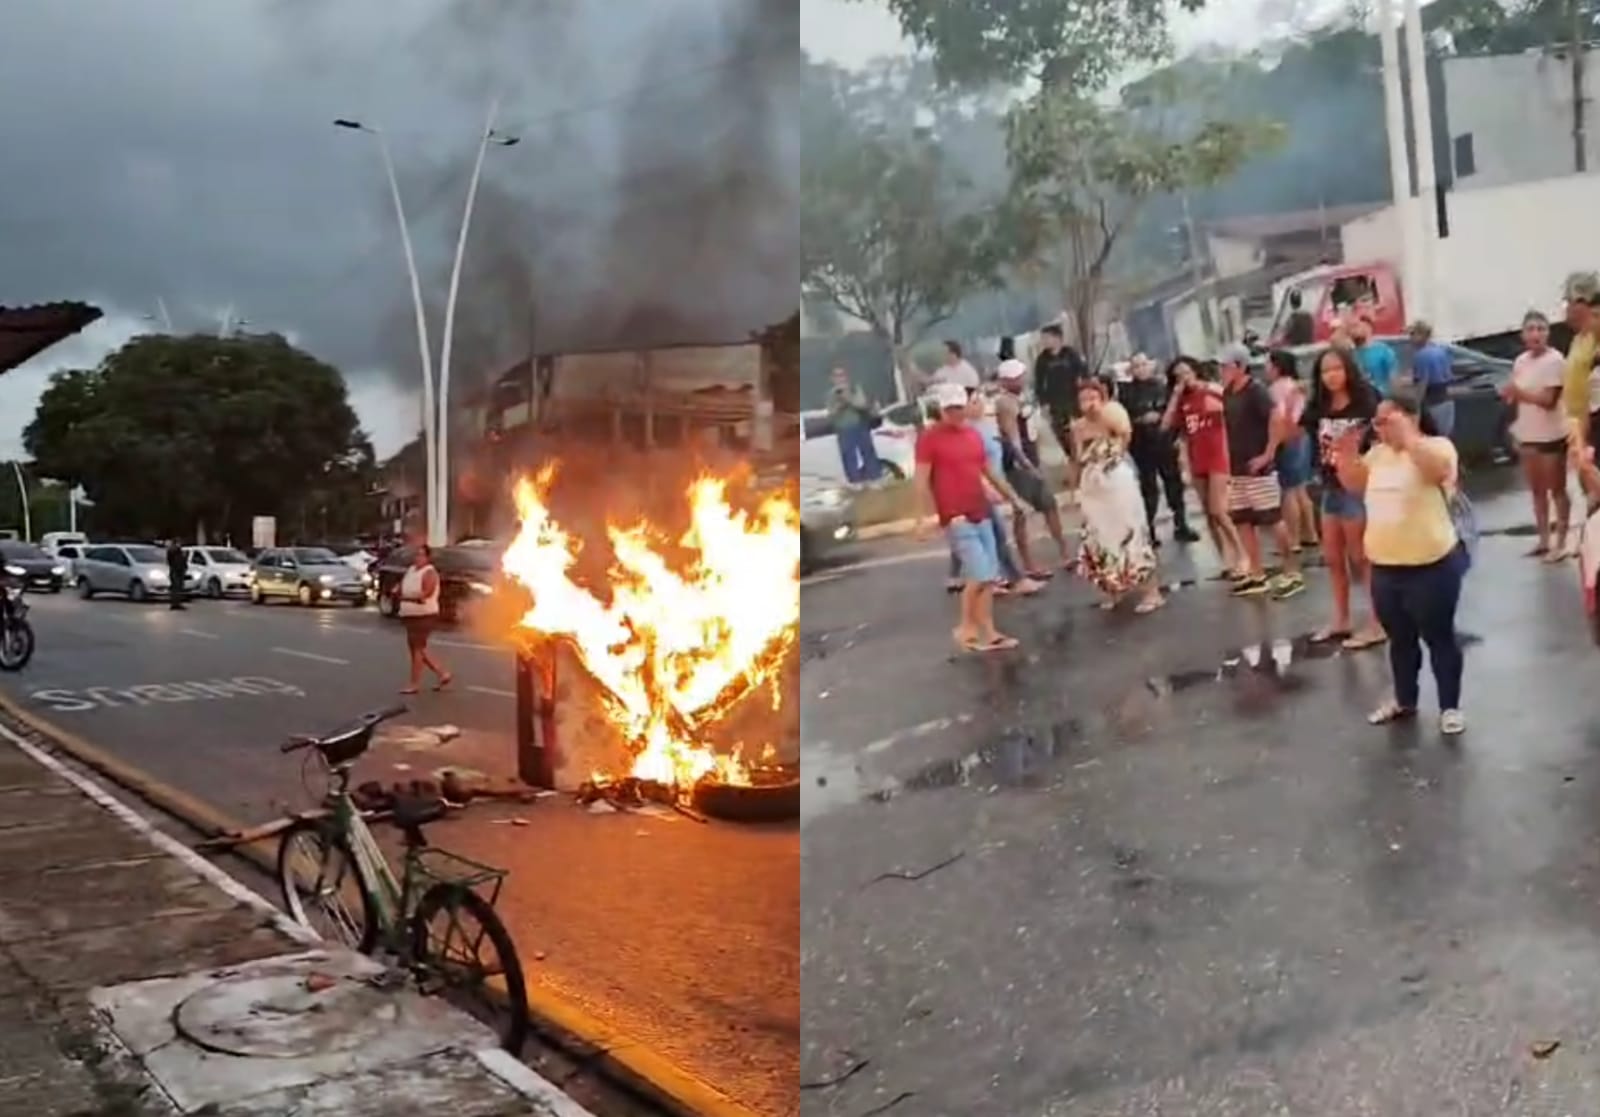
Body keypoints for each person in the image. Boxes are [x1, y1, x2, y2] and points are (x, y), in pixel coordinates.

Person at [1332, 394, 1468, 735]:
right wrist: (1346, 455)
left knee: (1439, 636)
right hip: (1386, 565)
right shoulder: (1378, 455)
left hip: (1431, 563)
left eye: (1386, 421)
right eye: (1375, 423)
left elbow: (1439, 473)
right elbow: (1356, 486)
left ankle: (1450, 707)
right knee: (1400, 639)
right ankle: (1405, 700)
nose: (1379, 429)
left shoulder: (1437, 447)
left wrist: (1409, 438)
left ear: (1410, 417)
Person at [916, 382, 1028, 652]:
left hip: (979, 510)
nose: (955, 413)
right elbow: (921, 480)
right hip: (956, 516)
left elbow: (988, 472)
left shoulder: (973, 436)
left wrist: (1013, 498)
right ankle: (966, 627)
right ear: (941, 410)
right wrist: (924, 517)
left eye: (958, 408)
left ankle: (988, 631)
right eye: (949, 409)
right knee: (980, 574)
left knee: (989, 577)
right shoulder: (930, 438)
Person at [1303, 346, 1386, 649]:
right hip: (1329, 485)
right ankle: (1341, 619)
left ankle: (1378, 622)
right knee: (1334, 557)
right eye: (1326, 371)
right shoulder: (1319, 405)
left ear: (1348, 370)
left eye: (1337, 368)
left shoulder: (1366, 400)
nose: (1332, 376)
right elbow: (1302, 431)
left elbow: (1382, 436)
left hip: (1357, 486)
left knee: (1361, 557)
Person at [1070, 378, 1165, 613]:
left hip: (1116, 480)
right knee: (1101, 538)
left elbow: (1125, 436)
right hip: (1093, 485)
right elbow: (1076, 458)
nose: (1089, 403)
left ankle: (1151, 591)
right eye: (1083, 399)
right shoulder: (1078, 427)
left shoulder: (1112, 415)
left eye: (1093, 398)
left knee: (1131, 535)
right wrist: (1075, 488)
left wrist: (1110, 451)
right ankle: (1113, 589)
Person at [1218, 343, 1304, 598]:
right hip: (1237, 466)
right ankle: (1257, 573)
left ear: (1239, 366)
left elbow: (1276, 417)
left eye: (1225, 366)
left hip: (1258, 466)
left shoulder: (1255, 391)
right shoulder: (1227, 393)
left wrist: (1268, 452)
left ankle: (1292, 572)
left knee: (1272, 519)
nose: (1222, 371)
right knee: (1243, 520)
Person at [948, 388, 1042, 596]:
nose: (979, 405)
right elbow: (973, 467)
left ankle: (976, 578)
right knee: (995, 535)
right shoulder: (967, 433)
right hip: (978, 490)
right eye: (973, 402)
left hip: (992, 485)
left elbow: (1000, 454)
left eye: (980, 400)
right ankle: (1014, 579)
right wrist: (987, 487)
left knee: (979, 537)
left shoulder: (986, 427)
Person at [1163, 356, 1245, 578]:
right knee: (1209, 513)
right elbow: (1167, 424)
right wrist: (1176, 395)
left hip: (1218, 453)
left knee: (1219, 509)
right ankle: (1226, 559)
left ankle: (1242, 554)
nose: (1183, 378)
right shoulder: (1182, 400)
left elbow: (1232, 408)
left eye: (1186, 373)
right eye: (1178, 376)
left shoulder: (1211, 390)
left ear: (1195, 371)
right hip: (1197, 456)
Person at [994, 358, 1074, 577]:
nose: (1021, 380)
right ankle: (1029, 564)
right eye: (1016, 378)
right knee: (1022, 513)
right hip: (1018, 465)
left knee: (1049, 505)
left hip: (1032, 458)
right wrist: (1026, 464)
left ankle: (1064, 552)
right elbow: (1013, 438)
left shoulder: (1021, 399)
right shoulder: (1005, 403)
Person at [1504, 309, 1572, 561]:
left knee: (1557, 489)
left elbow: (1549, 401)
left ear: (1548, 333)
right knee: (1536, 491)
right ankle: (1543, 540)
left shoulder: (1555, 361)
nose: (1536, 334)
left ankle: (1561, 542)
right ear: (1523, 335)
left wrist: (1520, 394)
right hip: (1528, 434)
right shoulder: (1520, 361)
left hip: (1551, 435)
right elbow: (1516, 395)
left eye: (1541, 329)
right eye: (1531, 329)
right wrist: (1512, 403)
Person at [1119, 353, 1198, 546]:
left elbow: (1175, 412)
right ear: (1131, 370)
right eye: (1136, 366)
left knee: (1174, 484)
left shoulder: (1163, 388)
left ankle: (1181, 524)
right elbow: (1123, 421)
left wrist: (1174, 434)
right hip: (1142, 447)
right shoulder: (1126, 393)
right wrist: (1141, 420)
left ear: (1150, 366)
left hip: (1165, 443)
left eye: (1143, 365)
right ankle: (1149, 530)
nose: (1141, 369)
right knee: (1149, 489)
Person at [1266, 349, 1318, 551]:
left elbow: (1279, 417)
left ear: (1277, 367)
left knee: (1288, 490)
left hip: (1288, 438)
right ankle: (1310, 533)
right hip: (1303, 436)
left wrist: (1275, 443)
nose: (1266, 369)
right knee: (1300, 488)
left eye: (1269, 364)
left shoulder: (1277, 389)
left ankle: (1293, 539)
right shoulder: (1296, 386)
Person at [397, 543, 452, 694]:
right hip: (410, 615)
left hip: (424, 615)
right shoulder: (411, 570)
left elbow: (426, 594)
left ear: (428, 557)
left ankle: (414, 684)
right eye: (416, 555)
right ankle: (442, 673)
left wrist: (406, 598)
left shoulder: (429, 572)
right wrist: (397, 590)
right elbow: (403, 586)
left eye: (421, 555)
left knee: (417, 649)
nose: (417, 558)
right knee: (418, 649)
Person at [1032, 324, 1088, 463]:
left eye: (1047, 338)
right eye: (1043, 338)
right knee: (1062, 433)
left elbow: (1083, 373)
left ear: (1057, 338)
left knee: (1081, 429)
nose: (1044, 341)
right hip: (1055, 403)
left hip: (1074, 399)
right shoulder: (1042, 360)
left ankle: (1086, 455)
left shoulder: (1071, 354)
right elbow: (1039, 383)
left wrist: (1083, 389)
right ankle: (1071, 458)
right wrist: (1043, 403)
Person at [1559, 272, 1600, 455]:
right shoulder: (1578, 339)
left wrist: (1584, 437)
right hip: (1579, 428)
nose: (1565, 309)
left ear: (1581, 303)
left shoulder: (1595, 338)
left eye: (1567, 302)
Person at [824, 367, 883, 486]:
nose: (840, 378)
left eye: (842, 375)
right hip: (843, 429)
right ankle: (855, 482)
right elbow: (831, 413)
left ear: (846, 376)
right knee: (848, 456)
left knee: (868, 451)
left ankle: (875, 479)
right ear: (832, 379)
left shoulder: (855, 388)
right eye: (836, 376)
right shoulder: (830, 395)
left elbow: (862, 404)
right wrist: (839, 403)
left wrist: (848, 397)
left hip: (860, 425)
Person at [1408, 320, 1455, 436]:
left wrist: (1416, 407)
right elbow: (1449, 376)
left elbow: (1422, 383)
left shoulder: (1420, 356)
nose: (1410, 338)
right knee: (1444, 438)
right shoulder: (1441, 351)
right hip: (1446, 401)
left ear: (1421, 335)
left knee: (1431, 438)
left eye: (1413, 334)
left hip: (1432, 404)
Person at [1349, 314, 1398, 398]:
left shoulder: (1384, 351)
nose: (1354, 331)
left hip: (1381, 397)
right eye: (1352, 328)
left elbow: (1394, 378)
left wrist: (1392, 398)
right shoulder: (1351, 354)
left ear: (1368, 328)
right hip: (1360, 399)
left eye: (1357, 327)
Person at [165, 539, 187, 611]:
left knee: (178, 588)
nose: (180, 544)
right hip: (176, 571)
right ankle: (175, 604)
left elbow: (183, 561)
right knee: (176, 588)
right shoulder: (173, 551)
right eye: (179, 543)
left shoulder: (179, 551)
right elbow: (170, 561)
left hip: (179, 571)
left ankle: (177, 603)